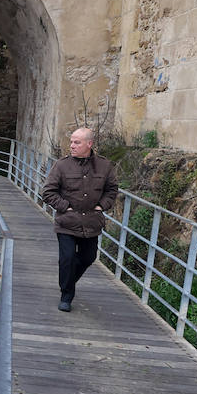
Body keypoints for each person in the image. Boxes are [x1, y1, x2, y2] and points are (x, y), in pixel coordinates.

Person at [41, 127, 118, 312]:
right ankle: (66, 296)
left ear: (89, 144)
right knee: (66, 258)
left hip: (91, 222)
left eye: (77, 142)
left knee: (88, 257)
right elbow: (48, 192)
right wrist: (64, 207)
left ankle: (68, 281)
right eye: (71, 142)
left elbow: (112, 190)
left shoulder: (104, 166)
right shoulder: (61, 165)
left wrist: (102, 205)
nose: (72, 146)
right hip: (67, 222)